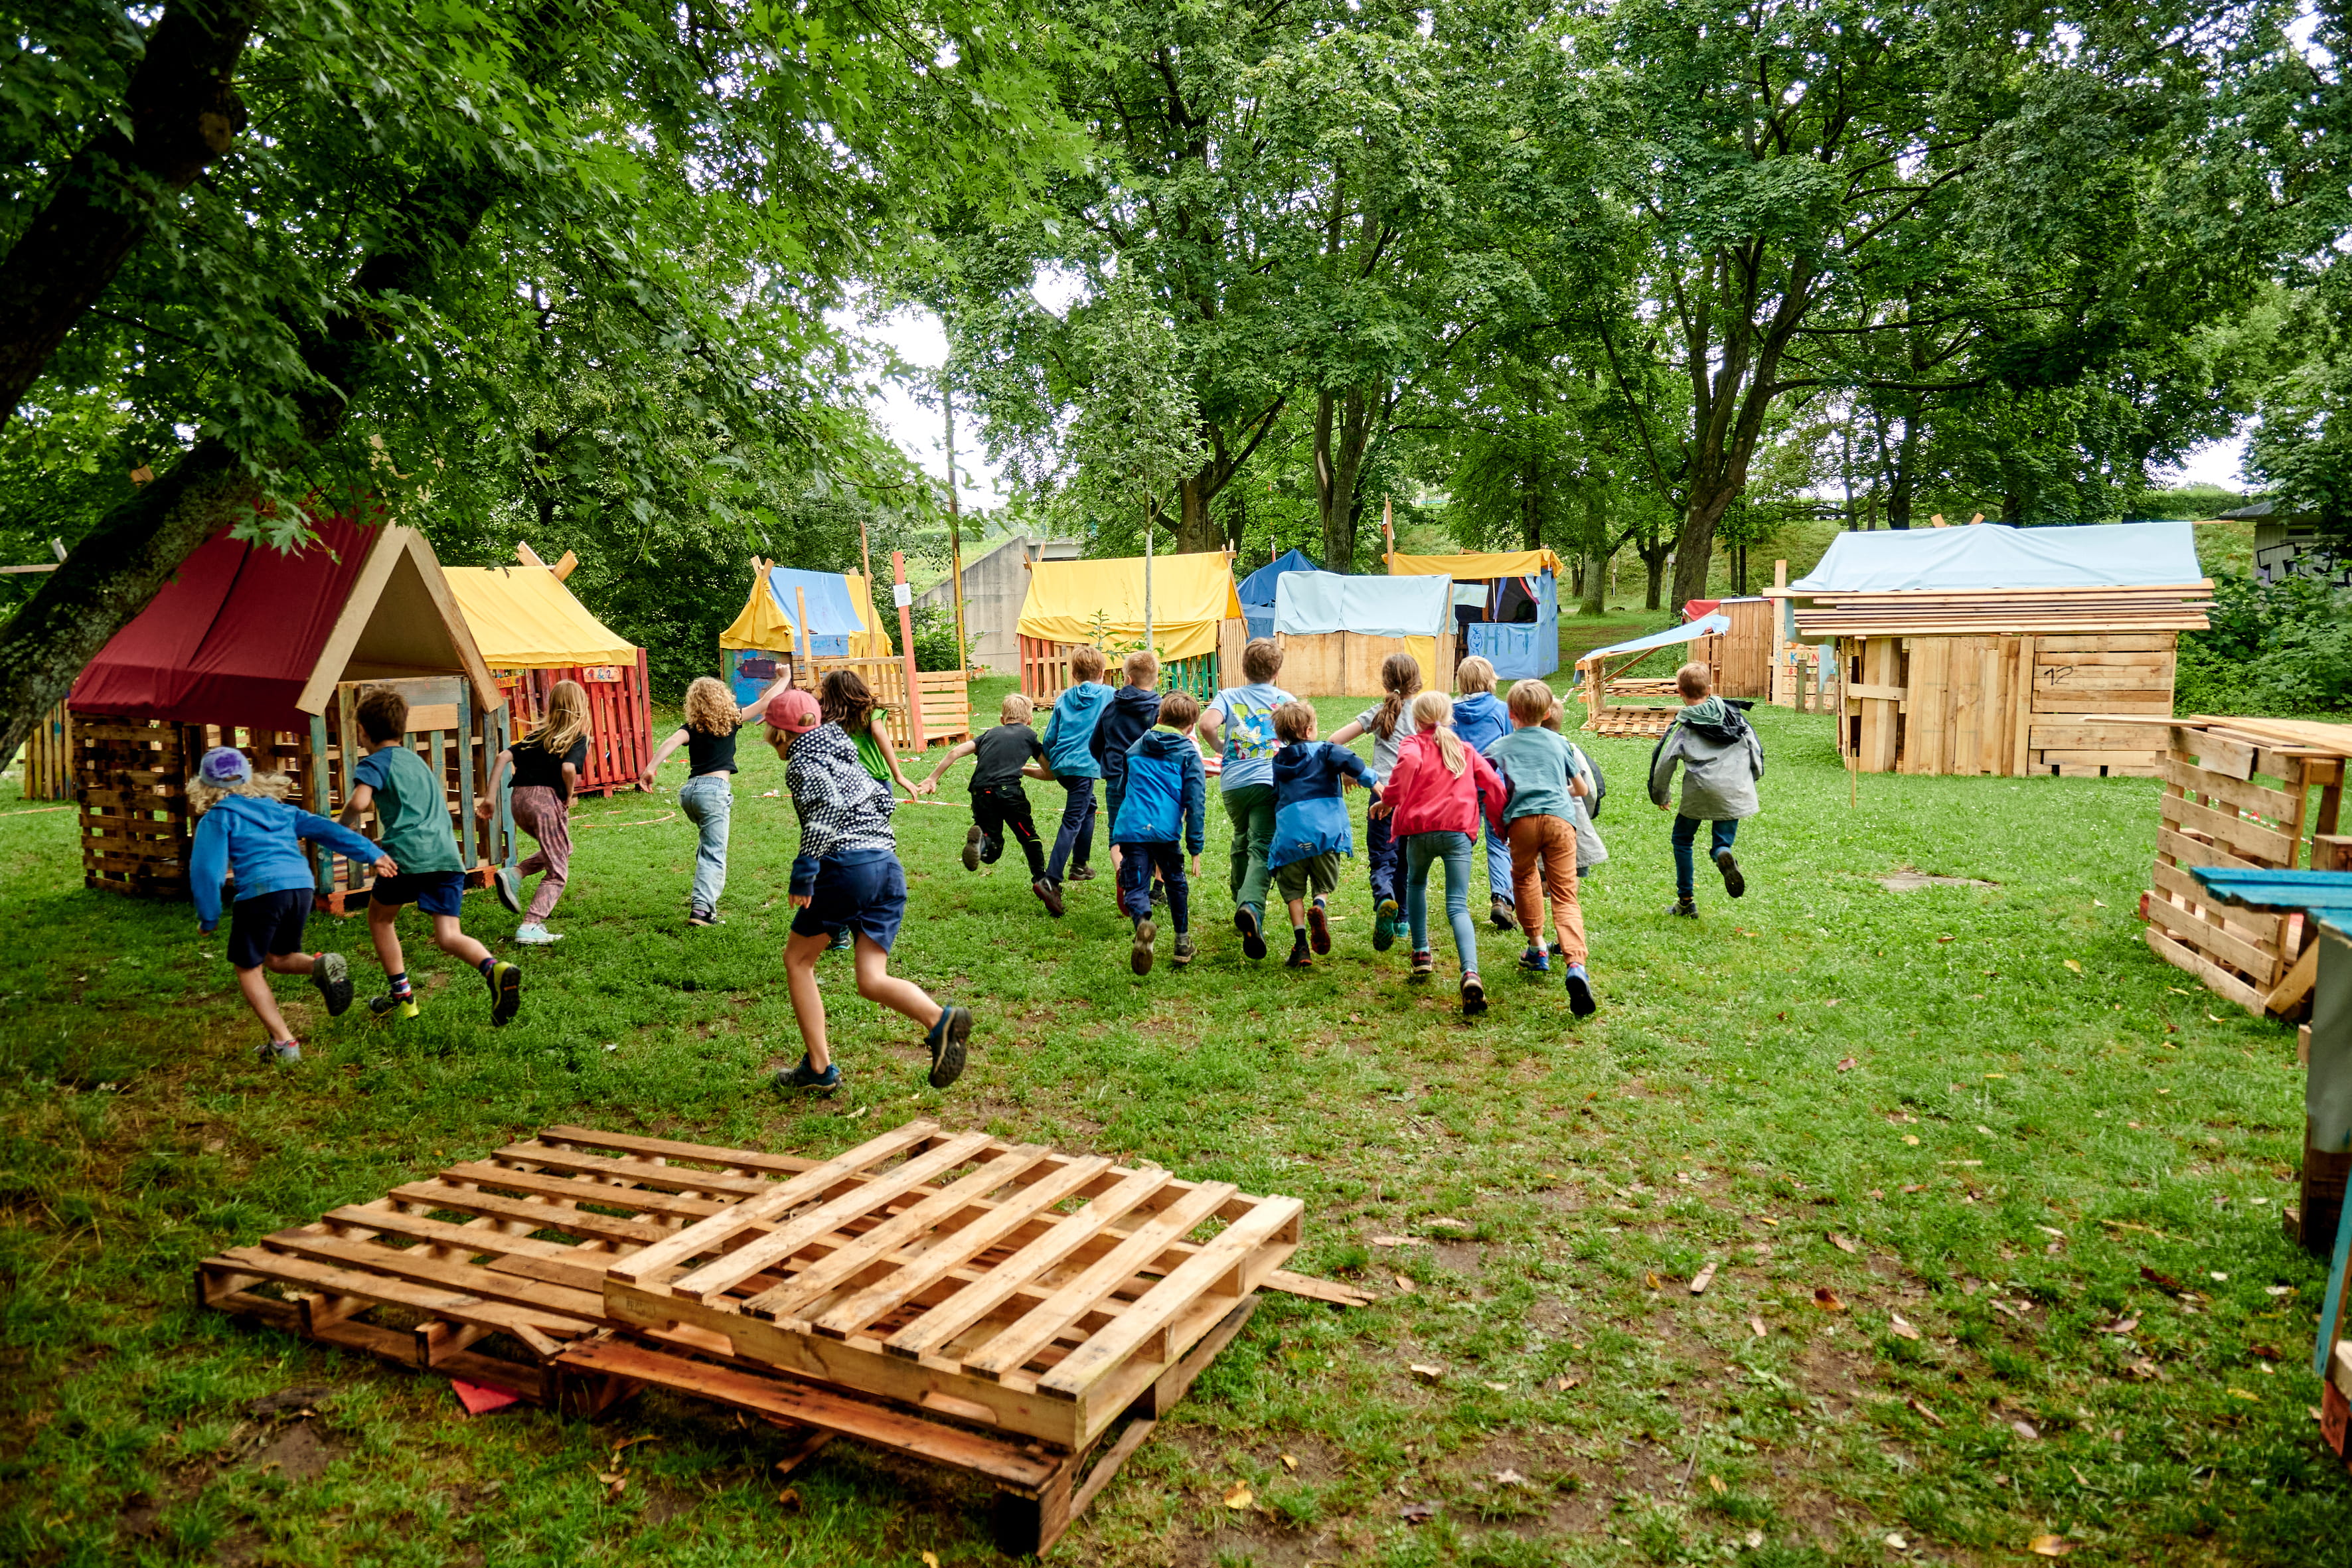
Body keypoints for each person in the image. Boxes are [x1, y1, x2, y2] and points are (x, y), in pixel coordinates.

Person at [763, 688, 972, 1093]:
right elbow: (881, 800)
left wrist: (805, 872)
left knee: (798, 961)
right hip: (887, 868)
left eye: (771, 733)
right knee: (871, 979)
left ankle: (819, 1069)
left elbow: (826, 807)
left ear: (782, 735)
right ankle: (940, 1021)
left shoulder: (804, 760)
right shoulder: (846, 755)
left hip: (847, 869)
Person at [189, 746, 393, 1063]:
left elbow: (206, 870)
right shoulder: (279, 810)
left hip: (261, 892)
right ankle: (319, 965)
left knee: (248, 968)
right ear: (251, 778)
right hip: (300, 887)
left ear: (204, 786)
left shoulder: (218, 818)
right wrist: (372, 853)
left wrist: (209, 916)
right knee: (278, 957)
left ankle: (284, 1043)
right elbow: (328, 830)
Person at [341, 686, 522, 1026]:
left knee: (380, 919)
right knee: (449, 936)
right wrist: (388, 838)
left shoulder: (374, 762)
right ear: (402, 727)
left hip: (406, 859)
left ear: (362, 731)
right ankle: (495, 968)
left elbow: (359, 802)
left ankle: (403, 999)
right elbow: (419, 816)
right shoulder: (417, 763)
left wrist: (341, 827)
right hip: (446, 856)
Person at [1372, 690, 1506, 1015]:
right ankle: (1470, 972)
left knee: (1416, 885)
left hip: (1420, 832)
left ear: (1416, 720)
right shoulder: (1465, 749)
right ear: (1449, 718)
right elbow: (1494, 784)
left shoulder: (1413, 744)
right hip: (1458, 833)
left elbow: (1404, 771)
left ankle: (1421, 952)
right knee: (1457, 905)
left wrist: (1387, 801)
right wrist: (1501, 826)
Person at [1485, 678, 1599, 1016]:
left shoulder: (1500, 746)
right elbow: (1581, 789)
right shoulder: (1559, 743)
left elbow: (1482, 778)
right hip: (1561, 822)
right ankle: (1576, 964)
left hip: (1522, 822)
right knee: (1565, 894)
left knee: (1524, 878)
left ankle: (1537, 948)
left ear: (1511, 713)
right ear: (1548, 712)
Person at [640, 671, 789, 926]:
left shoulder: (691, 728)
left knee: (707, 846)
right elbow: (767, 702)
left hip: (690, 793)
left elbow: (672, 741)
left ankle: (704, 902)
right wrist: (784, 678)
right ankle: (702, 911)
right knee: (714, 853)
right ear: (722, 698)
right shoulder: (732, 720)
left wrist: (651, 768)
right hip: (713, 793)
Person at [1195, 638, 1295, 961]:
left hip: (1234, 784)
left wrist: (1221, 747)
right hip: (1269, 782)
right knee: (1262, 846)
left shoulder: (1229, 696)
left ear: (1244, 669)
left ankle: (1239, 893)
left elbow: (1206, 724)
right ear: (1277, 672)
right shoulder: (1286, 700)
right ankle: (1250, 905)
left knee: (1242, 835)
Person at [922, 691, 1059, 913]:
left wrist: (932, 778)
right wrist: (1022, 770)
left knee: (994, 848)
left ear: (1002, 719)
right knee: (1029, 838)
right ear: (1030, 719)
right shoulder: (1029, 736)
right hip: (1009, 793)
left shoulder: (988, 734)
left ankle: (981, 844)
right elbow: (1049, 773)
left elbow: (956, 751)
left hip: (980, 792)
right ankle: (1042, 881)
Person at [1265, 702, 1377, 969]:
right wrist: (1374, 782)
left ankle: (1301, 945)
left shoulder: (1278, 762)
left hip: (1290, 838)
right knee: (1324, 883)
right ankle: (1319, 905)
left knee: (1293, 892)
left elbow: (1276, 795)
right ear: (1308, 731)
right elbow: (1351, 762)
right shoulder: (1326, 750)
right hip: (1324, 834)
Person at [1648, 661, 1764, 917]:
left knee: (1682, 839)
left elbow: (1663, 761)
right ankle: (1722, 852)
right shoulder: (1735, 715)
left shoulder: (1683, 725)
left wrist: (1660, 795)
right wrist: (1752, 779)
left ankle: (1686, 901)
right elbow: (1755, 749)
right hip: (1735, 787)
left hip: (1700, 789)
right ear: (1709, 689)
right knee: (1723, 838)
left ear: (1680, 692)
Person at [479, 678, 590, 945]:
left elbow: (502, 757)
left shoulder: (536, 736)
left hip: (519, 802)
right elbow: (568, 768)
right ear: (580, 706)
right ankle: (530, 926)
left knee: (563, 848)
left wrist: (490, 798)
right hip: (545, 803)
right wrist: (568, 795)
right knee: (558, 873)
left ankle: (515, 873)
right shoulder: (577, 737)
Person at [1326, 651, 1422, 953]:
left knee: (1383, 858)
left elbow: (1333, 742)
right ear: (1417, 681)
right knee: (1407, 861)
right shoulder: (1425, 713)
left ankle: (1384, 899)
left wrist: (1349, 772)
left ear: (1385, 681)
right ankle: (1403, 921)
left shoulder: (1379, 712)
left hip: (1382, 795)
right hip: (1416, 798)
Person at [1108, 691, 1206, 975]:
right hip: (1165, 833)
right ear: (1191, 726)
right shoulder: (1188, 753)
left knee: (1135, 887)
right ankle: (1182, 943)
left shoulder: (1135, 748)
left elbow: (1121, 788)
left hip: (1133, 829)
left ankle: (1142, 923)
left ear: (1160, 716)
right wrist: (1195, 846)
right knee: (1176, 882)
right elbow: (1196, 802)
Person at [1448, 657, 1518, 931]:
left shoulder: (1448, 712)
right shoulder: (1501, 710)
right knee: (1499, 843)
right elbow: (1510, 749)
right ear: (1491, 680)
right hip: (1494, 787)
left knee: (1462, 845)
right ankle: (1502, 899)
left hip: (1461, 788)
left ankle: (1457, 902)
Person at [1038, 647, 1115, 893]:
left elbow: (1049, 738)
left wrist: (1050, 762)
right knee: (1072, 821)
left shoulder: (1064, 698)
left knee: (1088, 806)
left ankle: (1080, 865)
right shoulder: (1110, 695)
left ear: (1073, 674)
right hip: (1084, 767)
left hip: (1062, 765)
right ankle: (1051, 880)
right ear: (1102, 672)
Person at [1093, 650, 1164, 882]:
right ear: (1156, 679)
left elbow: (1095, 744)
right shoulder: (1161, 710)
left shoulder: (1111, 708)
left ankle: (1122, 875)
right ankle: (1156, 887)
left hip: (1117, 778)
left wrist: (1108, 765)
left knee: (1117, 833)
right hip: (1151, 781)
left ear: (1128, 679)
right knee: (1155, 831)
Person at [824, 668, 925, 801]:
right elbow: (878, 732)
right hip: (874, 777)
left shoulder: (825, 717)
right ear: (859, 688)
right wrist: (898, 776)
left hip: (841, 780)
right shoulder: (871, 711)